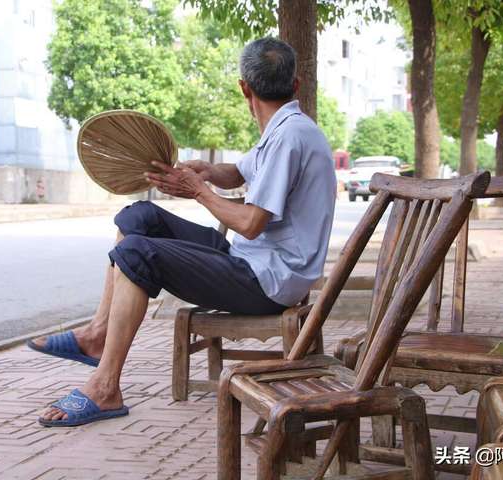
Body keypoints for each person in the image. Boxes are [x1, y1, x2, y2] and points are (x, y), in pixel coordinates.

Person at [30, 37, 337, 427]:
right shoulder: (283, 129)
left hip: (267, 282)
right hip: (249, 261)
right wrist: (205, 172)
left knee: (137, 252)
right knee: (139, 216)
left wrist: (198, 191)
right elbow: (240, 171)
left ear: (244, 86)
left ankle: (105, 387)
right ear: (294, 85)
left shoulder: (291, 137)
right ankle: (98, 333)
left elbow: (250, 222)